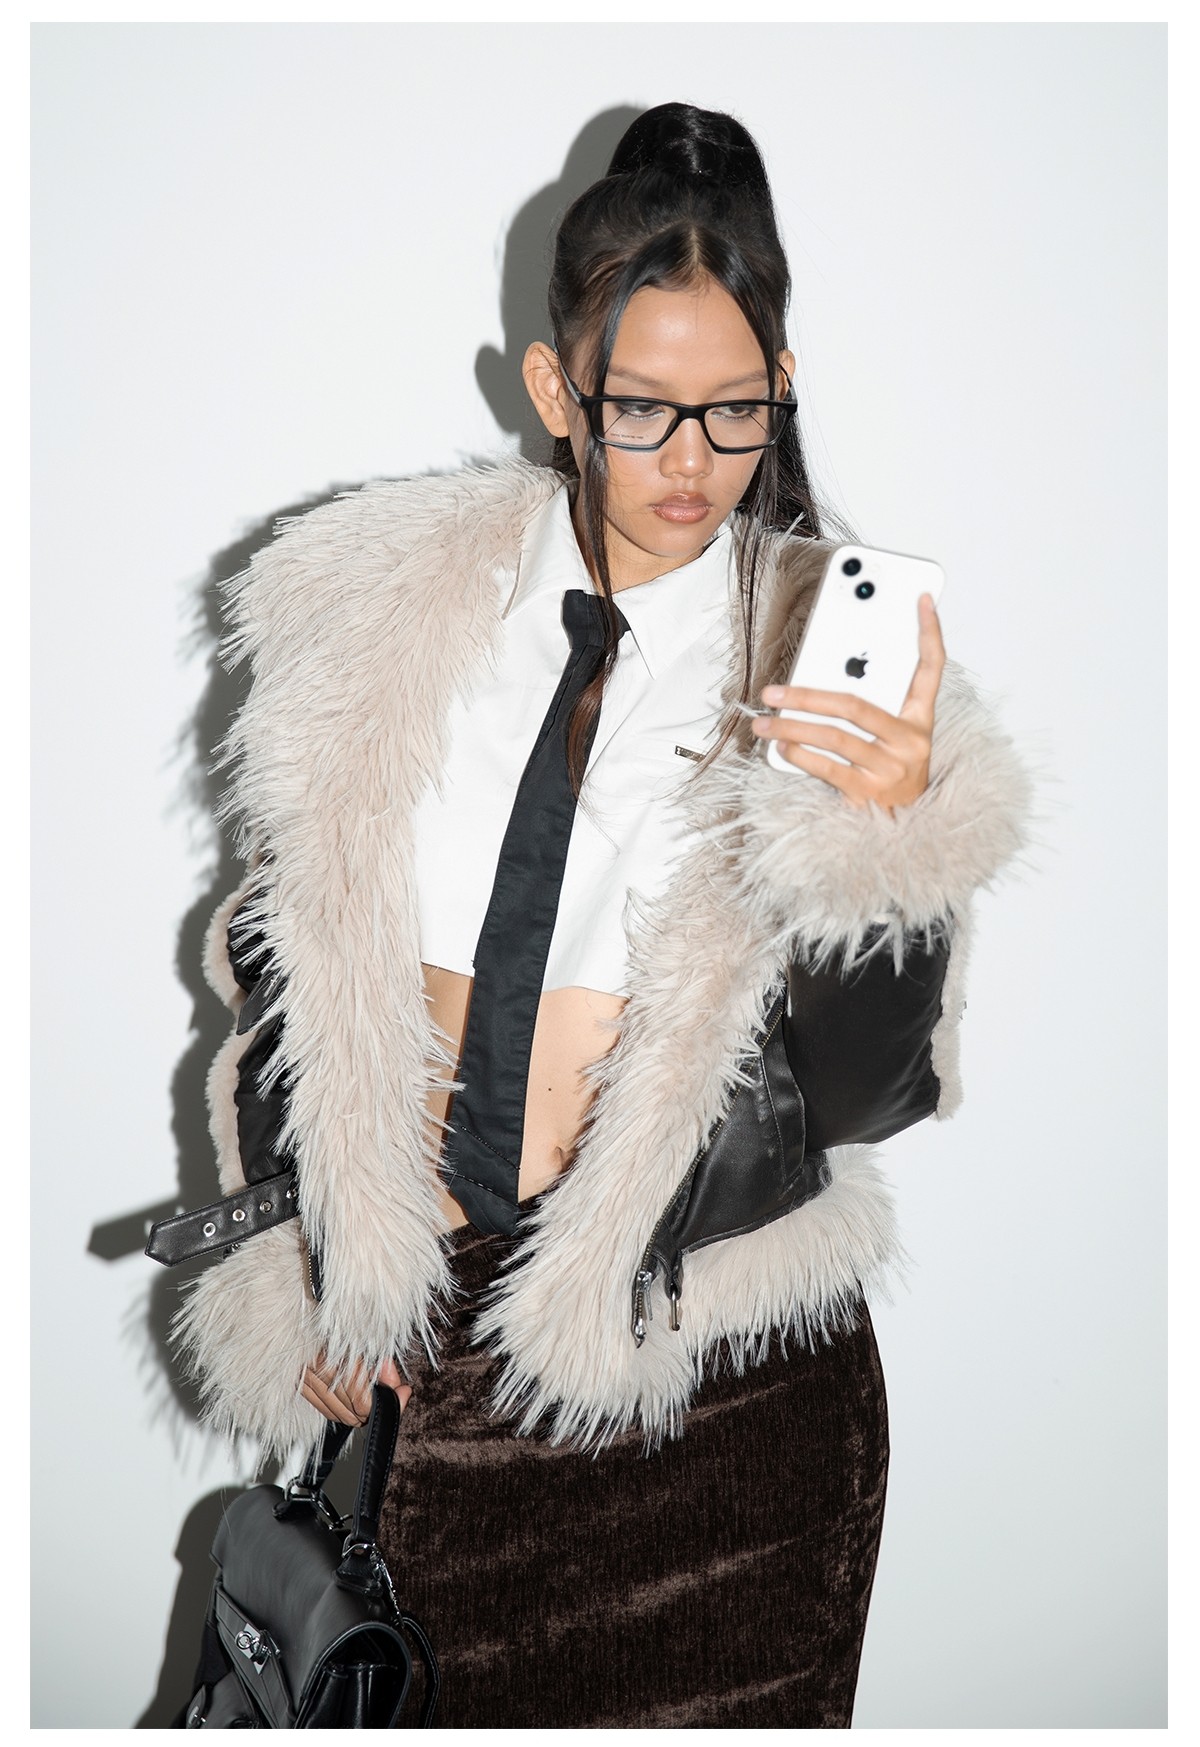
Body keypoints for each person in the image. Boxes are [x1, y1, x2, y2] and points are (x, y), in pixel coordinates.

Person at [173, 103, 1031, 1727]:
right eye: (643, 409)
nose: (694, 463)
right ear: (557, 388)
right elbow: (286, 975)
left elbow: (866, 1097)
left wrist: (884, 852)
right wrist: (310, 1258)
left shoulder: (834, 671)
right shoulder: (380, 615)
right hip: (428, 1381)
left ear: (782, 387)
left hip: (723, 1413)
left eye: (737, 409)